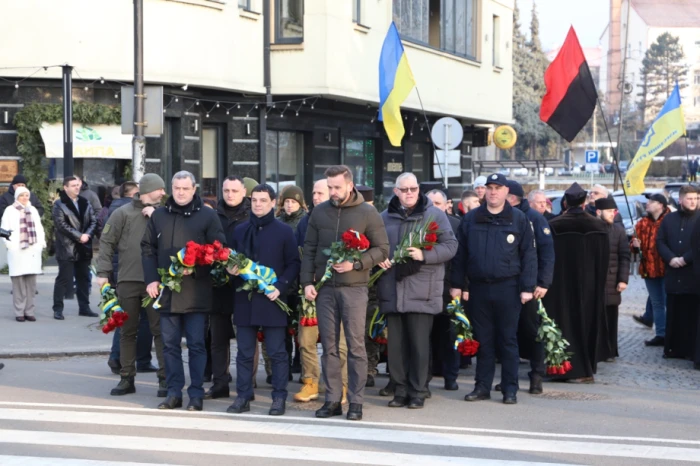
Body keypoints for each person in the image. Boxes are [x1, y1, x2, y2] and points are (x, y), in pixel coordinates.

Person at [301, 165, 389, 421]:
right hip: (326, 289)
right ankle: (332, 400)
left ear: (350, 185)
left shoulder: (368, 212)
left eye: (337, 187)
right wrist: (307, 281)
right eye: (329, 187)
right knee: (328, 347)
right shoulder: (319, 212)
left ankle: (356, 402)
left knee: (355, 346)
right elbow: (309, 248)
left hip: (354, 289)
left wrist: (357, 263)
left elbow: (382, 249)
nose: (333, 192)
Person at [142, 171, 225, 411]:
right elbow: (147, 248)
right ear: (171, 188)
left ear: (194, 189)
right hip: (167, 292)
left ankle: (196, 394)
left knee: (197, 345)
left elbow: (219, 250)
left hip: (196, 292)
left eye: (185, 188)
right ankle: (173, 392)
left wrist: (197, 270)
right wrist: (151, 280)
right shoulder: (159, 215)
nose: (180, 192)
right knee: (169, 345)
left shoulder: (208, 216)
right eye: (176, 188)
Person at [450, 173, 536, 405]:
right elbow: (460, 255)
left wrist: (527, 287)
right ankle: (482, 387)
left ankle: (510, 389)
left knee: (507, 340)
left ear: (507, 191)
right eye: (489, 188)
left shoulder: (518, 219)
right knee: (483, 340)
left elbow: (529, 255)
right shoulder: (472, 219)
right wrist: (457, 284)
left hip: (508, 287)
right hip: (479, 288)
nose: (493, 192)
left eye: (498, 188)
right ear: (484, 191)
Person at [377, 176, 456, 410]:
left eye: (413, 189)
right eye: (404, 189)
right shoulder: (384, 217)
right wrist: (378, 257)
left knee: (419, 346)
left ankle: (418, 391)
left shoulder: (435, 215)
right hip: (392, 288)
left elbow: (451, 246)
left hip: (422, 289)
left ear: (419, 190)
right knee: (396, 347)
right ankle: (399, 390)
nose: (409, 193)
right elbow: (375, 245)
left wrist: (425, 255)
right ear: (396, 191)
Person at [226, 184, 300, 416]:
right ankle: (243, 396)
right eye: (254, 200)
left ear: (272, 202)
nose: (258, 204)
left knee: (277, 352)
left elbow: (293, 264)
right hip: (244, 300)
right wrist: (231, 270)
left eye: (263, 200)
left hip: (272, 298)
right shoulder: (239, 230)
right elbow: (230, 260)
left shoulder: (284, 231)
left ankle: (279, 397)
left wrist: (280, 287)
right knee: (245, 352)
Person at [96, 174, 168, 398]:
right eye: (160, 189)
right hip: (127, 281)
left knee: (160, 332)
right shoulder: (122, 213)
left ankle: (165, 380)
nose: (163, 193)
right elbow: (107, 242)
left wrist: (157, 217)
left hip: (155, 283)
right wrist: (103, 272)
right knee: (127, 331)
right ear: (148, 190)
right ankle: (127, 378)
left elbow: (175, 239)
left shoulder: (164, 214)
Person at [542, 182, 609, 383]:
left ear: (565, 201)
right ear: (583, 201)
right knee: (586, 322)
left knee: (563, 324)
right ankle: (586, 367)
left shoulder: (554, 225)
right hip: (590, 284)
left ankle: (562, 367)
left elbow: (547, 257)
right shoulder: (598, 226)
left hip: (561, 285)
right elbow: (604, 259)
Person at [294, 180, 350, 403]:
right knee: (306, 339)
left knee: (339, 342)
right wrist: (307, 280)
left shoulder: (343, 218)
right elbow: (302, 253)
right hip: (310, 289)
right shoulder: (304, 222)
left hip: (338, 289)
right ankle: (310, 382)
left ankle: (340, 385)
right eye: (314, 193)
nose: (316, 197)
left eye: (320, 193)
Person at [501, 180, 554, 394]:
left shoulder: (534, 218)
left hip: (531, 287)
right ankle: (508, 377)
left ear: (511, 197)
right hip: (507, 285)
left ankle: (537, 375)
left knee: (532, 331)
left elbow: (547, 253)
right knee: (507, 333)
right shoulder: (502, 216)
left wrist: (543, 282)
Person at [205, 176, 250, 400]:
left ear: (244, 191)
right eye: (226, 190)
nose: (230, 194)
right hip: (218, 285)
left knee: (245, 338)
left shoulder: (252, 215)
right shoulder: (212, 215)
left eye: (234, 190)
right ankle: (220, 383)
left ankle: (245, 385)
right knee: (218, 338)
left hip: (245, 284)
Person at [106, 181, 152, 375]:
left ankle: (121, 358)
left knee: (125, 318)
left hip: (121, 271)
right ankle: (125, 358)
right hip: (129, 271)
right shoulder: (126, 212)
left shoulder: (115, 209)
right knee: (136, 320)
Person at [657, 185, 699, 364]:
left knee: (691, 313)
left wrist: (685, 259)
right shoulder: (669, 219)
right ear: (680, 200)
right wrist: (671, 258)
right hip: (673, 273)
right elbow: (660, 241)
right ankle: (673, 348)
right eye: (689, 199)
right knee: (673, 311)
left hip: (692, 273)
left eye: (696, 199)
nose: (693, 202)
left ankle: (690, 350)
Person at [426, 188, 462, 392]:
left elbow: (462, 258)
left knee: (450, 335)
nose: (434, 208)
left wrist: (460, 285)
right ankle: (426, 378)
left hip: (449, 288)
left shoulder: (456, 224)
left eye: (437, 204)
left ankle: (451, 376)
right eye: (430, 204)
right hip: (426, 288)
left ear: (447, 205)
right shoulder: (421, 224)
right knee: (426, 337)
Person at [52, 176, 98, 320]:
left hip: (83, 247)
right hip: (67, 247)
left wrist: (87, 235)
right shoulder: (59, 204)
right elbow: (61, 225)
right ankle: (58, 309)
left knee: (83, 279)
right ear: (66, 188)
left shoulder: (85, 202)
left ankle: (84, 308)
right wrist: (79, 236)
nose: (77, 187)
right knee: (64, 279)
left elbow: (93, 220)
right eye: (73, 185)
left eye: (78, 185)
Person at [275, 185, 307, 376]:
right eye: (286, 202)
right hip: (284, 283)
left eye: (293, 202)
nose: (289, 205)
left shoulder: (305, 221)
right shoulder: (277, 221)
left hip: (300, 283)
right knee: (284, 326)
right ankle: (285, 363)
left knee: (301, 327)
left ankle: (299, 361)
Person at [1, 186, 46, 322]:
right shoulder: (10, 210)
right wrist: (10, 245)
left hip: (32, 250)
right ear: (17, 197)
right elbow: (4, 229)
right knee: (19, 283)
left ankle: (29, 311)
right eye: (22, 195)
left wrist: (40, 244)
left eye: (27, 195)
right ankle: (19, 312)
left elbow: (39, 228)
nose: (25, 198)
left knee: (31, 284)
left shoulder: (33, 210)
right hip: (17, 250)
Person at [632, 194, 671, 346]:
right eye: (648, 201)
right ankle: (661, 334)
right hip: (649, 269)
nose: (648, 204)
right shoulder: (642, 223)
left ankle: (672, 334)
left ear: (661, 205)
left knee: (669, 303)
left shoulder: (670, 220)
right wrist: (634, 246)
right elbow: (634, 248)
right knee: (657, 303)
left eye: (652, 202)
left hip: (667, 269)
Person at [595, 197, 630, 362]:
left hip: (612, 280)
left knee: (610, 316)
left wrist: (623, 279)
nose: (612, 214)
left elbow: (624, 256)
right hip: (595, 281)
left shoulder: (619, 231)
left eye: (614, 211)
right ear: (599, 212)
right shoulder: (592, 228)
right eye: (609, 211)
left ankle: (609, 351)